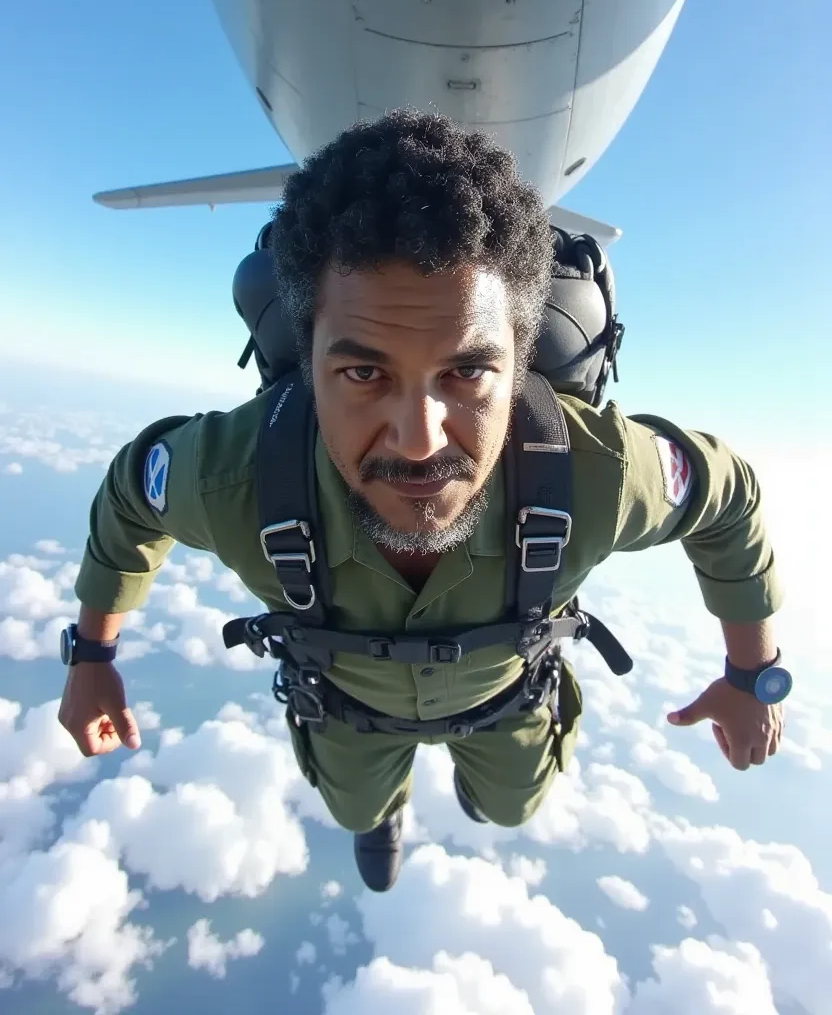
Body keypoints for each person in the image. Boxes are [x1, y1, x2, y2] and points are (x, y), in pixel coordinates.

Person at [58, 109, 788, 894]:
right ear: (306, 363)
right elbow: (132, 495)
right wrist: (91, 657)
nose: (417, 439)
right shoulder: (235, 476)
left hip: (506, 700)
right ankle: (382, 812)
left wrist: (755, 675)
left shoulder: (593, 470)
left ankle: (473, 793)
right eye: (364, 374)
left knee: (512, 808)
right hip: (346, 711)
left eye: (468, 372)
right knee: (353, 804)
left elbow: (726, 497)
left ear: (519, 361)